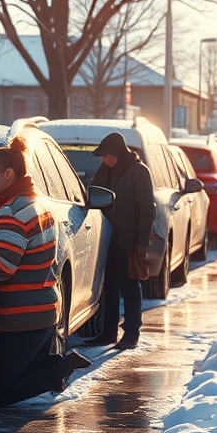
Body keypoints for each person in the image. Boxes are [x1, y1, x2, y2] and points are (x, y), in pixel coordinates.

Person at [0, 136, 89, 407]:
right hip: (40, 312)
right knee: (10, 375)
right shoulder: (37, 205)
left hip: (23, 319)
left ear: (8, 175)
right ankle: (58, 366)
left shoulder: (13, 213)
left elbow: (0, 269)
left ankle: (61, 368)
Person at [83, 132, 155, 349]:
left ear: (117, 153)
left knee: (130, 287)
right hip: (107, 240)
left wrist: (142, 241)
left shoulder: (138, 172)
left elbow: (147, 209)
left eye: (107, 156)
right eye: (103, 158)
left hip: (130, 241)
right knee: (109, 288)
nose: (105, 160)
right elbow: (94, 194)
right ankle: (108, 332)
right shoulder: (105, 171)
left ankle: (132, 333)